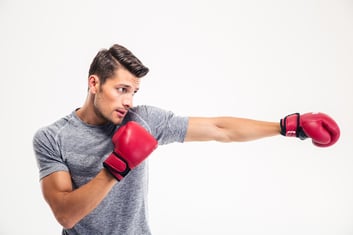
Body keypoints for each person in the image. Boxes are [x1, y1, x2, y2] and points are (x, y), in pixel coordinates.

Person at [33, 43, 340, 235]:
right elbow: (66, 214)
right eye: (121, 89)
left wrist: (287, 125)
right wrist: (116, 168)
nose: (128, 101)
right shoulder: (52, 138)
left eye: (134, 92)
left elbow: (221, 129)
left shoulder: (143, 120)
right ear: (94, 83)